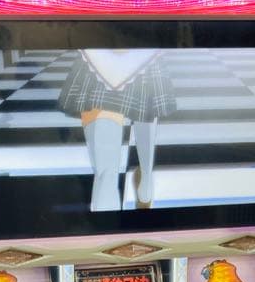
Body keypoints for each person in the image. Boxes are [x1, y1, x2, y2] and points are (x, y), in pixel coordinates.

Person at [57, 49, 175, 211]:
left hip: (101, 59)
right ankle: (146, 186)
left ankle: (145, 184)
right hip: (133, 54)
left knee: (106, 174)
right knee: (145, 104)